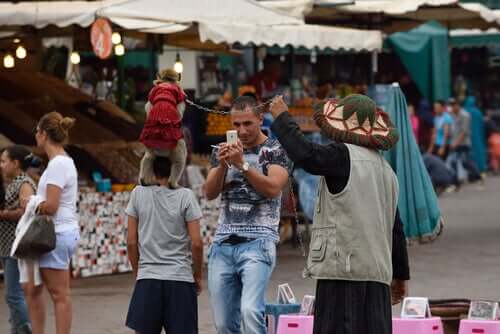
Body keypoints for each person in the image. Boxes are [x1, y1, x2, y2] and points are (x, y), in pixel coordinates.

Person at [269, 94, 410, 334]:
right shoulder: (387, 171)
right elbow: (395, 228)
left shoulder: (343, 155)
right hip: (376, 275)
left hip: (343, 273)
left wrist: (283, 118)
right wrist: (400, 275)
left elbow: (306, 155)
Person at [204, 96, 290, 334]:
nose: (241, 131)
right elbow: (209, 193)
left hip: (258, 242)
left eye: (247, 124)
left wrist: (242, 165)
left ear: (260, 120)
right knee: (223, 324)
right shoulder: (222, 152)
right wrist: (223, 164)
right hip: (223, 243)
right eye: (236, 125)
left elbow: (273, 189)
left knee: (251, 311)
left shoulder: (275, 149)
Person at [125, 156, 203, 334]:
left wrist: (138, 271)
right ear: (176, 169)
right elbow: (197, 243)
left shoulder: (138, 194)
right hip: (181, 279)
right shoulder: (186, 196)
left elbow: (131, 241)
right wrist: (197, 275)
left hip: (148, 279)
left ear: (149, 169)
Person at [24, 112, 79, 334]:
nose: (35, 135)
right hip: (60, 233)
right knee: (41, 290)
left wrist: (32, 203)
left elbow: (52, 206)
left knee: (59, 294)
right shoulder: (62, 162)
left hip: (55, 234)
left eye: (36, 131)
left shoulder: (57, 165)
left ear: (44, 134)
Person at [0, 146, 37, 334]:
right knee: (13, 294)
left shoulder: (24, 183)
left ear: (15, 163)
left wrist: (5, 214)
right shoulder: (15, 182)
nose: (1, 165)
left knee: (14, 294)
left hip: (17, 245)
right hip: (8, 245)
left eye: (4, 161)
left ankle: (24, 330)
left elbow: (27, 212)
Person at [139, 68, 187, 187]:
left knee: (149, 155)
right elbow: (179, 113)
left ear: (159, 78)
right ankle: (173, 181)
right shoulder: (178, 91)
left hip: (152, 132)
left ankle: (144, 178)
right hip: (170, 135)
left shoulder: (155, 90)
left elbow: (148, 109)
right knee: (179, 158)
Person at [447, 98, 472, 185]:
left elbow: (464, 132)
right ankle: (456, 180)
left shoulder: (465, 115)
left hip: (463, 143)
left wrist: (456, 143)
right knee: (453, 161)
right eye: (451, 105)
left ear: (458, 105)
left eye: (453, 105)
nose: (452, 107)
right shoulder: (452, 115)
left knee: (465, 161)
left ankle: (475, 175)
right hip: (455, 143)